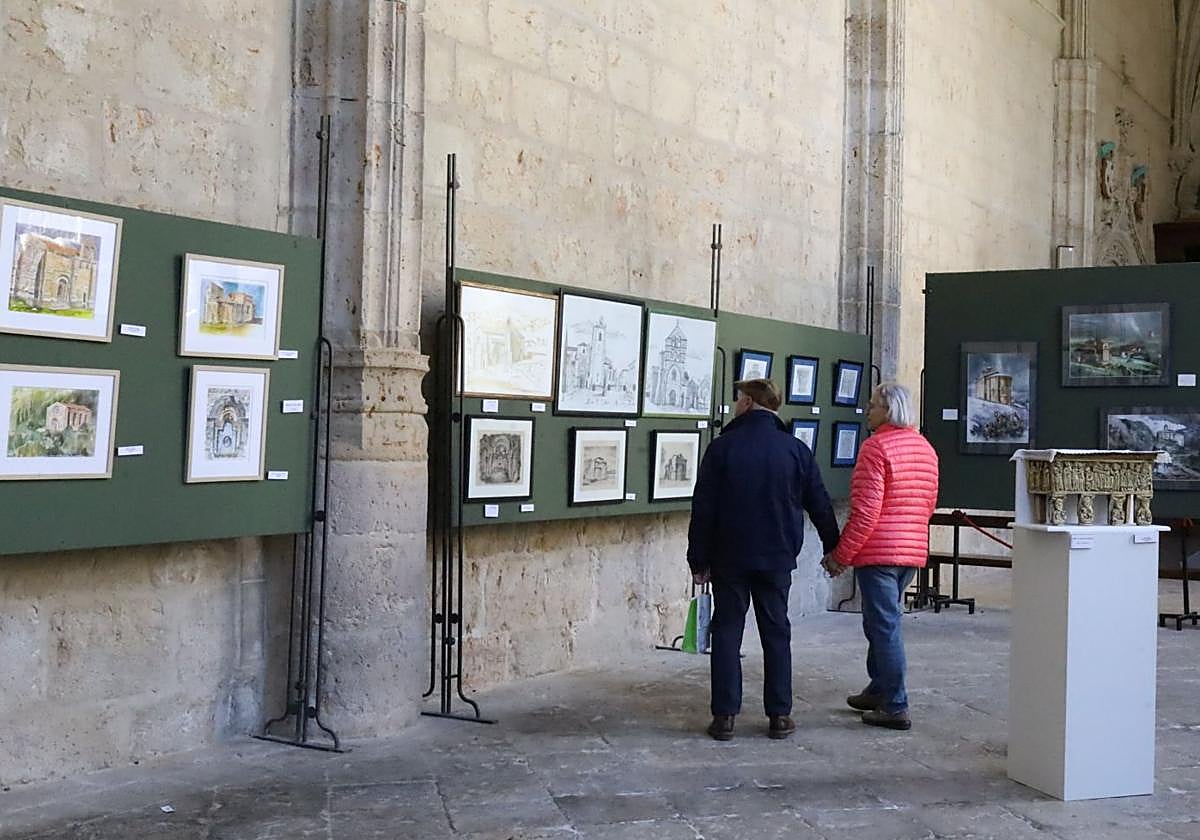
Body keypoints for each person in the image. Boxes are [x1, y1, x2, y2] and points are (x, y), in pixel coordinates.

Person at [687, 378, 841, 741]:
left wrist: (698, 560)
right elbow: (819, 503)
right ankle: (780, 714)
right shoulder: (795, 450)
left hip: (730, 556)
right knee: (776, 631)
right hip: (776, 556)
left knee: (727, 631)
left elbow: (704, 509)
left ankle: (725, 715)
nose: (736, 405)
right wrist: (834, 547)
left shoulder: (723, 448)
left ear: (749, 403)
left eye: (739, 399)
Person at [824, 383, 939, 731]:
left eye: (873, 406)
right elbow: (928, 504)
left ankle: (895, 704)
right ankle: (879, 688)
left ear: (888, 411)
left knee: (885, 626)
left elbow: (866, 512)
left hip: (879, 552)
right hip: (911, 551)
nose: (868, 411)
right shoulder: (925, 448)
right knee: (880, 622)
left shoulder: (876, 448)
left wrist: (841, 555)